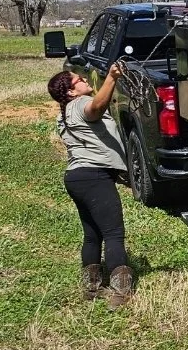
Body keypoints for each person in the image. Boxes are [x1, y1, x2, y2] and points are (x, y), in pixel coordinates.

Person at [47, 64, 134, 308]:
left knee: (92, 235)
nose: (84, 79)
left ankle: (92, 288)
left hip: (76, 177)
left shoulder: (63, 114)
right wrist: (112, 78)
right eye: (79, 80)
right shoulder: (79, 105)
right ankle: (120, 293)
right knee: (114, 234)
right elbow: (96, 108)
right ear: (71, 92)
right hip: (94, 177)